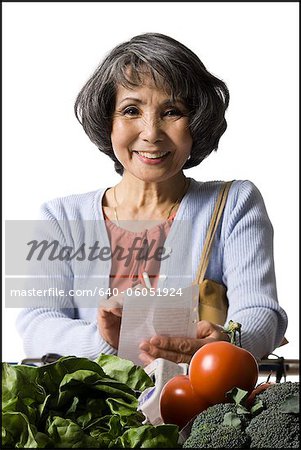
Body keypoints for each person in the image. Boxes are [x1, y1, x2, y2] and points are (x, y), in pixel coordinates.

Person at [16, 32, 288, 365]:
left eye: (172, 111)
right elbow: (35, 326)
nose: (151, 132)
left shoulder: (236, 202)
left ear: (197, 122)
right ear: (108, 123)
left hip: (199, 409)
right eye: (131, 110)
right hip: (95, 415)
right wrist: (104, 340)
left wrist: (229, 341)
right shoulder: (58, 217)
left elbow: (262, 311)